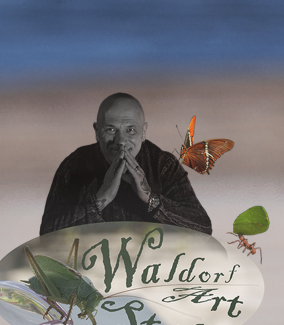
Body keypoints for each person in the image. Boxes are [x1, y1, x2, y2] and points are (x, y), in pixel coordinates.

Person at [39, 94, 211, 236]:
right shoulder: (74, 164)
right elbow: (47, 234)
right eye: (111, 130)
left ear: (143, 132)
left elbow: (203, 228)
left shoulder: (162, 164)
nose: (121, 141)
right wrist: (100, 199)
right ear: (97, 132)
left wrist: (150, 198)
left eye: (130, 130)